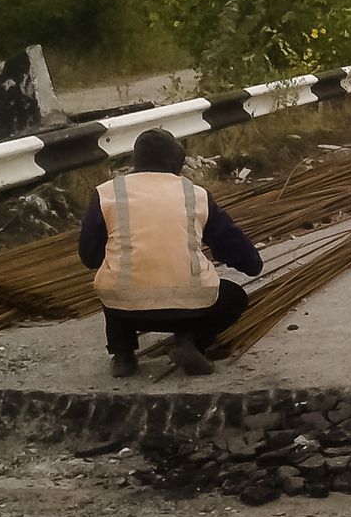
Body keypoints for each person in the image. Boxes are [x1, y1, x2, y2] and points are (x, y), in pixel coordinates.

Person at [78, 128, 263, 378]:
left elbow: (89, 257)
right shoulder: (195, 194)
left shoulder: (107, 193)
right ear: (177, 162)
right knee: (235, 297)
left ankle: (123, 354)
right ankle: (190, 340)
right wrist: (252, 264)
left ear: (136, 161)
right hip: (192, 308)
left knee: (113, 278)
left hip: (126, 309)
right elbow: (231, 243)